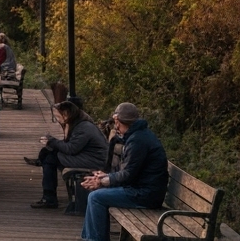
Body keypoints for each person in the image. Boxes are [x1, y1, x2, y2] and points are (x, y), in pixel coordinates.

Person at [79, 102, 168, 241]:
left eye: (116, 122)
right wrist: (106, 176)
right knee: (95, 195)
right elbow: (129, 171)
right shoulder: (138, 135)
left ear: (119, 121)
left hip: (145, 195)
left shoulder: (137, 141)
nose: (116, 126)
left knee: (96, 198)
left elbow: (128, 175)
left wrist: (102, 181)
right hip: (141, 189)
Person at [26, 101, 109, 209]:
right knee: (49, 154)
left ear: (66, 114)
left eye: (58, 116)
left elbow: (71, 149)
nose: (57, 119)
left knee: (51, 158)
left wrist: (52, 141)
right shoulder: (78, 123)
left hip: (93, 161)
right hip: (87, 157)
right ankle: (48, 196)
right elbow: (69, 145)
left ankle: (49, 198)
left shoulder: (83, 127)